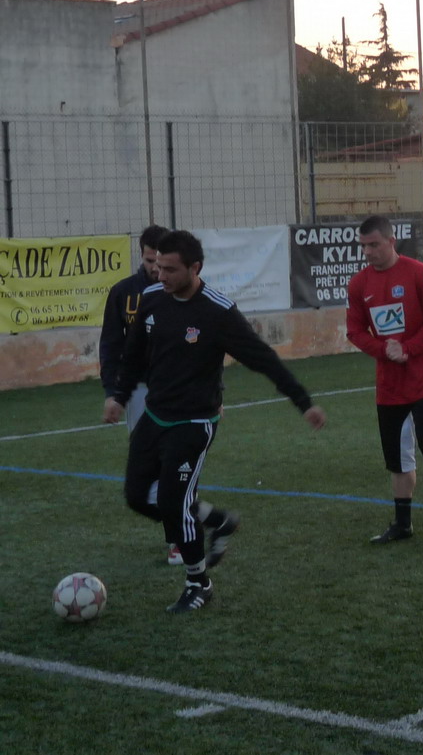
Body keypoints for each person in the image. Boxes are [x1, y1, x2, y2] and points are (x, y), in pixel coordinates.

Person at [104, 229, 326, 613]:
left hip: (194, 422)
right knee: (137, 497)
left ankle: (198, 583)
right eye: (157, 266)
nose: (161, 276)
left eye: (171, 269)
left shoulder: (217, 311)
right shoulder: (153, 299)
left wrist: (302, 401)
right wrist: (119, 396)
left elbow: (262, 358)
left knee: (174, 502)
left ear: (195, 268)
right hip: (155, 415)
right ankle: (217, 520)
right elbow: (135, 354)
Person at [346, 215, 423, 546]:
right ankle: (403, 523)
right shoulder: (358, 284)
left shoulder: (419, 273)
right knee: (397, 458)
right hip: (389, 387)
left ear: (392, 242)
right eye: (363, 246)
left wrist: (408, 349)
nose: (367, 252)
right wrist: (383, 350)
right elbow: (354, 330)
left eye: (374, 245)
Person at [99, 223, 182, 565]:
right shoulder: (123, 293)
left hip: (177, 388)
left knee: (176, 462)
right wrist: (113, 393)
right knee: (147, 464)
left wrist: (213, 392)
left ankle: (177, 538)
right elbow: (111, 345)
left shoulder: (181, 292)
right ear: (143, 255)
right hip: (137, 391)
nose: (154, 268)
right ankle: (181, 523)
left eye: (160, 262)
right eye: (150, 260)